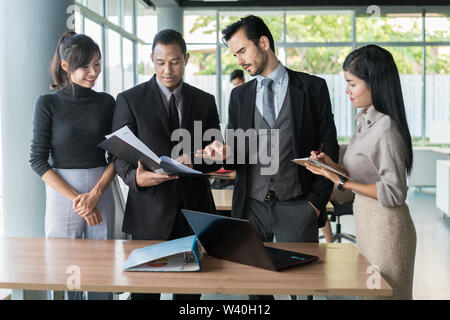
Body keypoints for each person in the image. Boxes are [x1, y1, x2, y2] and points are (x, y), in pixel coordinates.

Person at [197, 15, 339, 256]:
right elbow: (234, 155)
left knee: (302, 285)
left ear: (264, 43)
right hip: (251, 206)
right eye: (235, 55)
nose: (239, 60)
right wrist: (220, 153)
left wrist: (315, 204)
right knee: (252, 282)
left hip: (299, 205)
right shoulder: (239, 97)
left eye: (242, 51)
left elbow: (330, 147)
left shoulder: (313, 88)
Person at [112, 29, 221, 300]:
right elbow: (116, 155)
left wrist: (207, 156)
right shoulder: (129, 99)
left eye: (174, 62)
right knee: (144, 296)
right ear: (152, 59)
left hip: (193, 212)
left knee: (188, 296)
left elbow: (214, 156)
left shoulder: (205, 102)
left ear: (186, 59)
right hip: (149, 212)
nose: (167, 70)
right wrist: (135, 179)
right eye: (160, 63)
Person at [304, 45, 416, 300]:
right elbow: (365, 174)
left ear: (374, 83)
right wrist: (332, 167)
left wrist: (341, 181)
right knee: (368, 296)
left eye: (352, 84)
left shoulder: (386, 127)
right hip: (368, 226)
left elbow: (394, 192)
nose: (347, 90)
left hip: (387, 231)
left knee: (381, 296)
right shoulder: (365, 120)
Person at [29, 31, 116, 300]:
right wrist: (80, 201)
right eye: (85, 66)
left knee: (102, 268)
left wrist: (96, 195)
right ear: (65, 66)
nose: (93, 72)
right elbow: (38, 160)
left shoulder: (106, 103)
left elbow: (117, 156)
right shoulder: (48, 103)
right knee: (67, 271)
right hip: (62, 193)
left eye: (97, 64)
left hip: (101, 187)